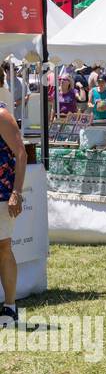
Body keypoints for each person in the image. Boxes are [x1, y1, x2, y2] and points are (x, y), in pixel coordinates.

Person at [0, 96, 26, 330]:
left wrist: (16, 192)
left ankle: (10, 307)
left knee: (4, 247)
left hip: (1, 194)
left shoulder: (2, 116)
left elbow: (21, 153)